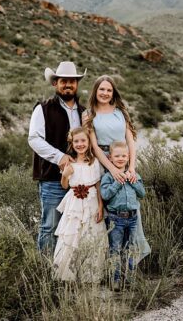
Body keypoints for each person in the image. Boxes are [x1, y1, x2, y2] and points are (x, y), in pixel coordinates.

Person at [29, 61, 86, 252]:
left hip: (80, 180)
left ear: (77, 84)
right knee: (50, 227)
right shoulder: (43, 108)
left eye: (72, 81)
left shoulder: (84, 112)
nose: (68, 84)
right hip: (52, 179)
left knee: (76, 226)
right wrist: (59, 157)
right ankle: (46, 272)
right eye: (64, 81)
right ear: (55, 83)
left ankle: (68, 271)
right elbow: (34, 139)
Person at [52, 127, 108, 282]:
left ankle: (89, 276)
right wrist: (65, 175)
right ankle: (67, 274)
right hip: (74, 203)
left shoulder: (95, 162)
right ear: (72, 143)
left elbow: (97, 185)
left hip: (91, 201)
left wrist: (101, 207)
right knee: (71, 235)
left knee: (90, 234)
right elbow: (64, 186)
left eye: (83, 140)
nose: (80, 144)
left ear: (89, 142)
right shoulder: (69, 162)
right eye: (76, 141)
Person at [100, 140, 149, 289]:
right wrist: (118, 181)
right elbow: (105, 195)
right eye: (117, 156)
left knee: (132, 248)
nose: (120, 159)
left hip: (133, 218)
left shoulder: (134, 175)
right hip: (116, 219)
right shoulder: (108, 177)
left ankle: (130, 279)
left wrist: (133, 180)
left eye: (124, 156)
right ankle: (115, 280)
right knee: (115, 248)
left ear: (128, 157)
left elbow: (142, 193)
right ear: (110, 158)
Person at [84, 75, 139, 183]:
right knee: (103, 196)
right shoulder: (87, 115)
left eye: (109, 90)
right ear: (95, 90)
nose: (105, 93)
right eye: (102, 89)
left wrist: (132, 167)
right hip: (100, 162)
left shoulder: (121, 112)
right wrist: (112, 169)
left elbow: (130, 141)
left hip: (122, 160)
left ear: (113, 93)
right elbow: (94, 146)